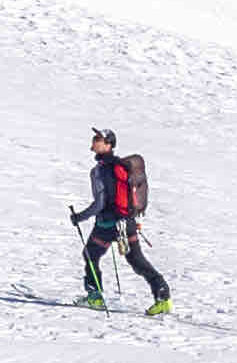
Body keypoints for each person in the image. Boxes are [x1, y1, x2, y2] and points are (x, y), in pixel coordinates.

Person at [72, 127, 171, 314]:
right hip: (127, 222)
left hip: (107, 224)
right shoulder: (120, 167)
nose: (94, 141)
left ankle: (94, 297)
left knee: (90, 255)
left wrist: (80, 217)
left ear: (108, 144)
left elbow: (100, 203)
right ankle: (163, 295)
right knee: (136, 260)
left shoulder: (100, 171)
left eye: (98, 138)